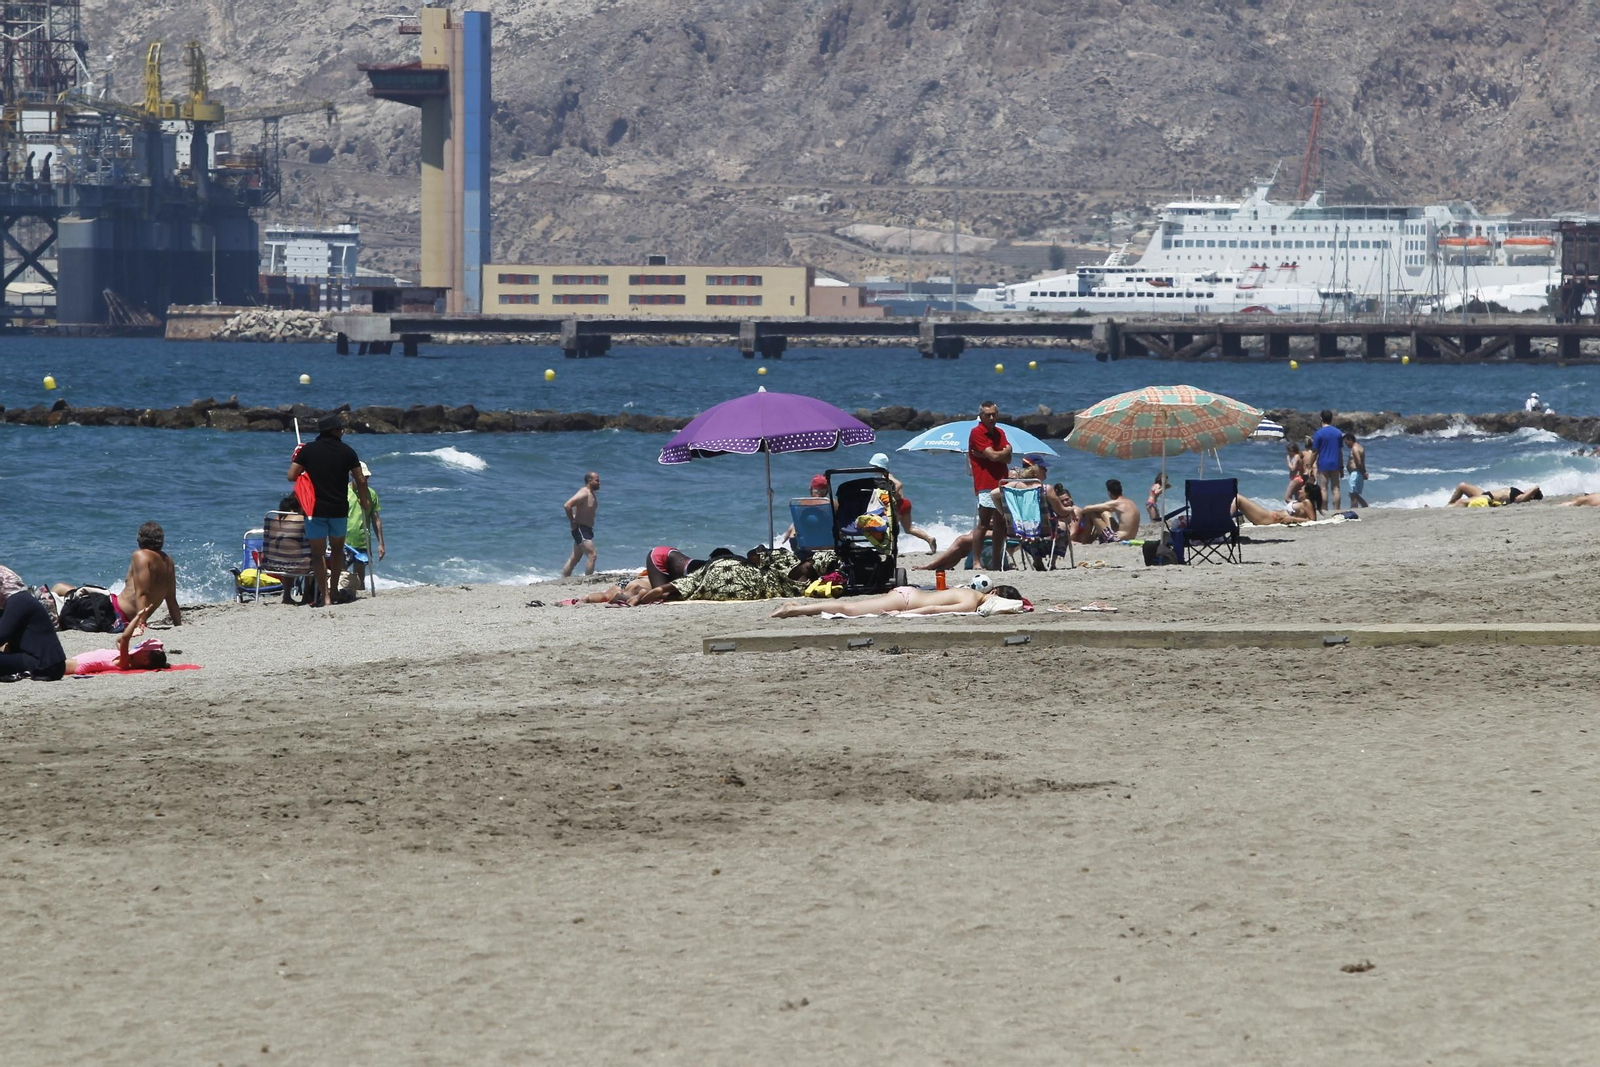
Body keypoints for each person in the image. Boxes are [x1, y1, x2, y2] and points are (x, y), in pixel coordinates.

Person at [287, 414, 371, 608]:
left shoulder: (308, 450)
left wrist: (305, 466)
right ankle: (333, 591)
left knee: (317, 555)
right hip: (339, 509)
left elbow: (291, 476)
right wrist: (364, 501)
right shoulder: (347, 451)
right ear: (333, 431)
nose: (342, 432)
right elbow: (361, 480)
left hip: (314, 509)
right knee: (337, 552)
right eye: (340, 429)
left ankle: (324, 597)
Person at [771, 583, 1025, 619]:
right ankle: (793, 610)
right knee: (848, 609)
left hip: (907, 593)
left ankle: (796, 609)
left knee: (850, 608)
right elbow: (934, 608)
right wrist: (901, 616)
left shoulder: (967, 590)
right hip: (905, 601)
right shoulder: (972, 602)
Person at [112, 521, 182, 629]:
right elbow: (171, 599)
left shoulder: (141, 555)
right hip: (128, 615)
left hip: (117, 612)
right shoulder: (168, 561)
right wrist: (178, 624)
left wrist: (141, 623)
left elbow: (143, 593)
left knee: (82, 597)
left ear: (140, 539)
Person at [967, 401, 1012, 570]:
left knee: (1000, 522)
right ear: (981, 416)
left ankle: (996, 559)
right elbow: (994, 456)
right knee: (984, 522)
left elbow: (1007, 459)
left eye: (994, 414)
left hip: (1001, 481)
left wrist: (999, 454)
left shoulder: (1000, 432)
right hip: (985, 482)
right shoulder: (977, 432)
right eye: (988, 415)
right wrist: (1004, 451)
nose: (991, 417)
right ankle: (977, 561)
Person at [64, 605, 169, 674]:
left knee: (52, 666)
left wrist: (137, 617)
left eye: (143, 648)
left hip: (76, 665)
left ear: (145, 661)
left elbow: (124, 639)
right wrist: (132, 633)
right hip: (78, 660)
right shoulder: (125, 656)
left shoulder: (124, 662)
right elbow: (119, 641)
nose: (139, 646)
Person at [869, 452, 937, 553]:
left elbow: (899, 484)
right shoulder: (888, 475)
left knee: (889, 527)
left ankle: (891, 548)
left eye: (874, 466)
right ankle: (929, 539)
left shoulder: (885, 476)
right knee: (909, 529)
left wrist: (891, 495)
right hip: (905, 502)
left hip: (898, 505)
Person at [0, 587, 67, 681]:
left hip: (41, 664)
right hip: (51, 664)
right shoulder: (21, 599)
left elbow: (2, 636)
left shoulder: (17, 601)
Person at [340, 462, 385, 600]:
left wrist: (381, 543)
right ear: (352, 475)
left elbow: (376, 519)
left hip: (362, 539)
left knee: (360, 571)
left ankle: (357, 595)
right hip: (344, 539)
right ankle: (343, 593)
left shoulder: (371, 494)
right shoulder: (343, 491)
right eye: (361, 477)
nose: (364, 480)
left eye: (366, 477)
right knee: (342, 570)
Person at [561, 471, 601, 577]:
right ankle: (588, 579)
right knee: (592, 555)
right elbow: (567, 505)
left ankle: (564, 578)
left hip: (587, 529)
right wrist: (572, 521)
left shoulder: (591, 494)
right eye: (597, 480)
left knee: (575, 558)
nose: (599, 483)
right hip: (580, 529)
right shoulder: (584, 492)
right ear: (589, 481)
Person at [1075, 479, 1139, 543]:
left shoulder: (1117, 503)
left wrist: (1078, 514)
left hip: (1118, 539)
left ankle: (1085, 541)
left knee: (1091, 513)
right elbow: (1106, 509)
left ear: (1109, 493)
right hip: (1131, 537)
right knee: (1105, 512)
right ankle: (1093, 536)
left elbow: (1087, 508)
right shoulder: (1131, 502)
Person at [1311, 409, 1344, 512]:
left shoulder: (1318, 433)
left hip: (1323, 462)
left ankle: (1324, 509)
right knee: (1336, 488)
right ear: (1331, 419)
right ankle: (1336, 509)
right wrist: (1342, 466)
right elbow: (1339, 451)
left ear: (1321, 418)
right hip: (1335, 462)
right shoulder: (1338, 433)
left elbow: (1315, 452)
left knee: (1323, 487)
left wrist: (1309, 465)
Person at [1232, 494, 1313, 526]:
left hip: (1268, 518)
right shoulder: (1301, 502)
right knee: (1236, 499)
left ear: (1307, 492)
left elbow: (1312, 520)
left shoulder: (1307, 502)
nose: (1300, 490)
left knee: (1238, 498)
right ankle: (1226, 518)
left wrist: (1293, 519)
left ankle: (1223, 521)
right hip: (1268, 515)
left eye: (1302, 488)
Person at [1446, 483, 1543, 507]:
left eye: (1530, 490)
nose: (1528, 488)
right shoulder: (1520, 493)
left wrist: (1533, 491)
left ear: (1532, 495)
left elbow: (1536, 487)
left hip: (1489, 498)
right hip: (1485, 493)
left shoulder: (1520, 498)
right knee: (1462, 486)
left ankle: (1449, 509)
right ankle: (1447, 505)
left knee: (1461, 502)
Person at [1344, 431, 1369, 509]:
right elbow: (1362, 462)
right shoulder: (1360, 447)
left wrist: (1363, 473)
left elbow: (1358, 462)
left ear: (1350, 440)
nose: (1346, 444)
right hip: (1358, 473)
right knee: (1354, 493)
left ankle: (1356, 508)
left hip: (1356, 473)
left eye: (1346, 442)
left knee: (1353, 493)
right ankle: (1363, 506)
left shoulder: (1355, 448)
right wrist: (1364, 472)